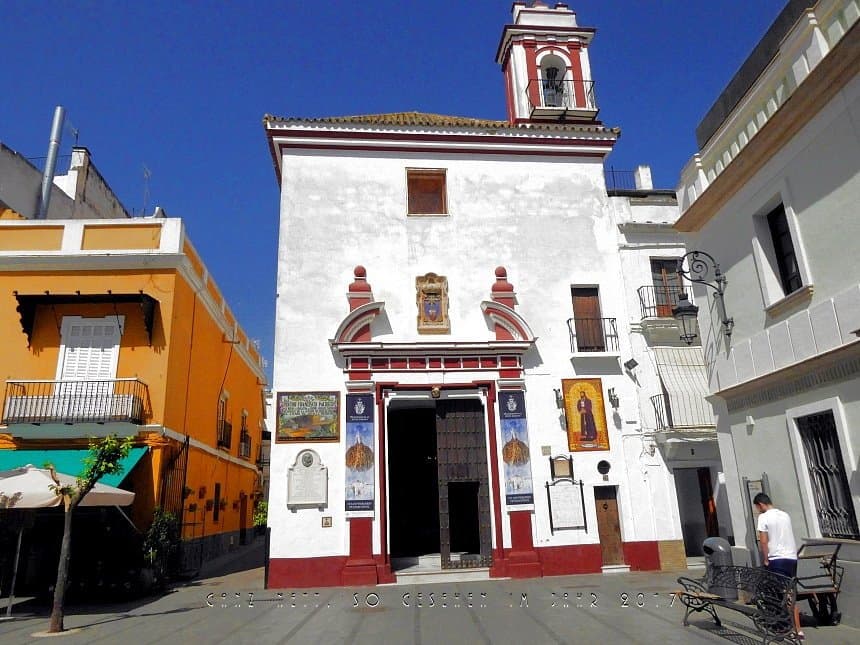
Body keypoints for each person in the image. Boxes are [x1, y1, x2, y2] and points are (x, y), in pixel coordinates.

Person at [754, 493, 803, 639]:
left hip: (777, 559)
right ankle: (798, 630)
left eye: (757, 507)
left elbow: (763, 541)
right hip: (791, 558)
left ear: (761, 505)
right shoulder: (785, 515)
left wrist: (766, 558)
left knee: (778, 594)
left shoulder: (763, 517)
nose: (757, 510)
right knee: (790, 592)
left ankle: (784, 626)